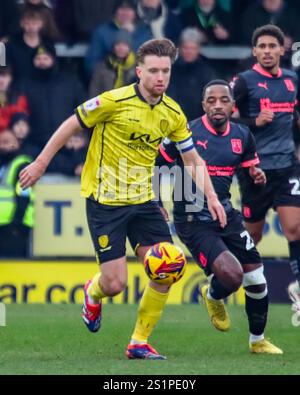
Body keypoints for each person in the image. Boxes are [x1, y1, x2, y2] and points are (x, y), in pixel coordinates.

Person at [19, 38, 226, 360]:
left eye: (166, 71)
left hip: (144, 201)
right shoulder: (112, 101)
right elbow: (70, 124)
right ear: (139, 71)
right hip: (105, 202)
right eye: (154, 70)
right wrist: (41, 163)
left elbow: (192, 159)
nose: (160, 77)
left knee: (168, 265)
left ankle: (139, 342)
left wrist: (211, 197)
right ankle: (93, 291)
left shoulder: (172, 113)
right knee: (114, 284)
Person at [157, 80, 282, 354]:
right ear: (203, 105)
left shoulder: (242, 135)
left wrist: (256, 174)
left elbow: (250, 167)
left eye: (223, 100)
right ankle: (212, 294)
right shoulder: (185, 131)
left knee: (257, 280)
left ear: (232, 105)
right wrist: (156, 200)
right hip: (192, 218)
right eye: (210, 100)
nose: (217, 105)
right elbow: (157, 164)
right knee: (233, 276)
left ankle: (257, 341)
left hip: (225, 212)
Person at [232, 25, 300, 305]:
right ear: (254, 51)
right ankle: (224, 278)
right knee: (253, 237)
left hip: (287, 167)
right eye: (262, 46)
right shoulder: (244, 81)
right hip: (255, 170)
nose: (267, 51)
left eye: (273, 46)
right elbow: (222, 119)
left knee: (294, 228)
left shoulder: (292, 79)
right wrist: (253, 122)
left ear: (283, 49)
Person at [168, 27, 216, 121]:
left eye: (193, 48)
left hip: (198, 121)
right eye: (186, 47)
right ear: (180, 48)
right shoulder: (171, 69)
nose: (189, 52)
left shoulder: (206, 71)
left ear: (198, 49)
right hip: (172, 119)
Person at [0, 130, 34, 258]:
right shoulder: (4, 165)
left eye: (7, 142)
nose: (3, 146)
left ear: (18, 143)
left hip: (15, 227)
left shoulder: (21, 164)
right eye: (1, 142)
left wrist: (16, 224)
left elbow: (23, 196)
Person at [89, 30, 136, 98]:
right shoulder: (102, 67)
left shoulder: (137, 68)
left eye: (124, 45)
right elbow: (94, 92)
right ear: (113, 47)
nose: (121, 48)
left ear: (130, 48)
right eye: (118, 44)